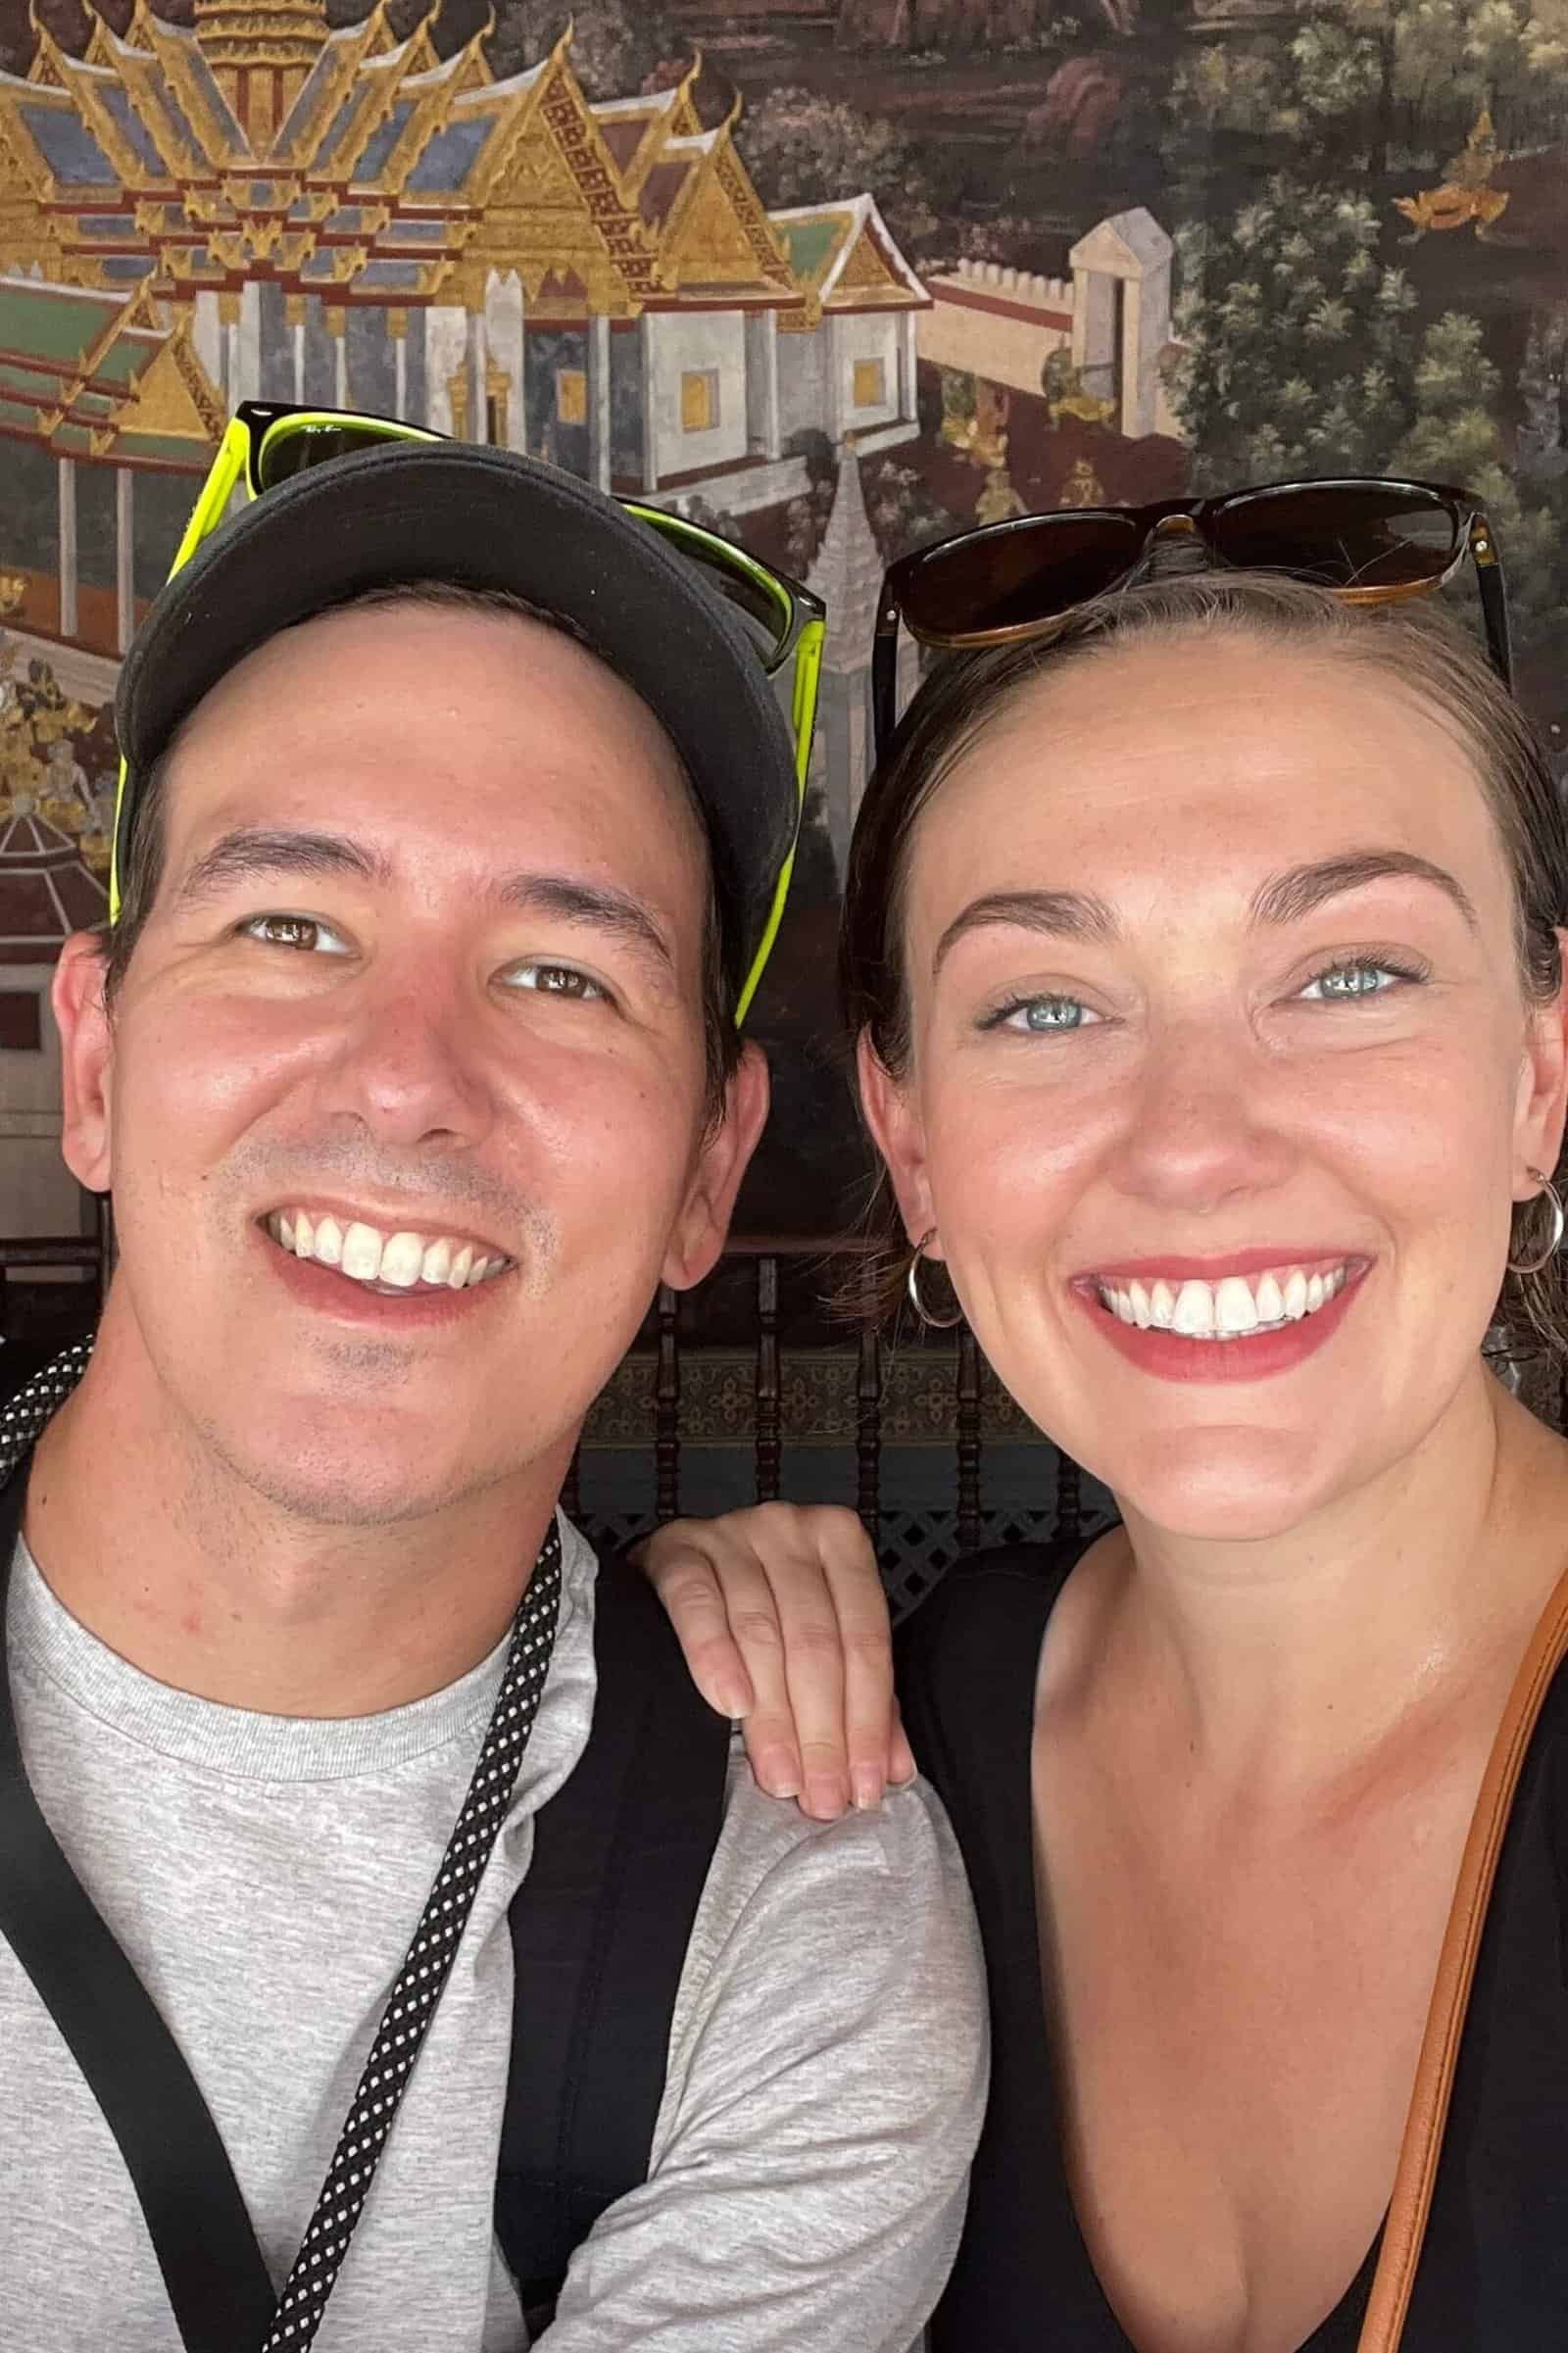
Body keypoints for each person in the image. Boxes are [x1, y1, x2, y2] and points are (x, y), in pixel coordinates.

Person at [0, 433, 986, 2352]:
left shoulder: (781, 1927)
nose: (407, 1080)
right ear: (99, 1063)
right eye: (290, 927)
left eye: (558, 975)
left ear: (707, 1168)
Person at [644, 557, 1568, 2350]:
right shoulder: (904, 1735)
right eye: (1048, 1006)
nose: (1195, 1144)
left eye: (1350, 971)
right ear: (911, 1140)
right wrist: (662, 1636)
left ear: (1540, 1071)